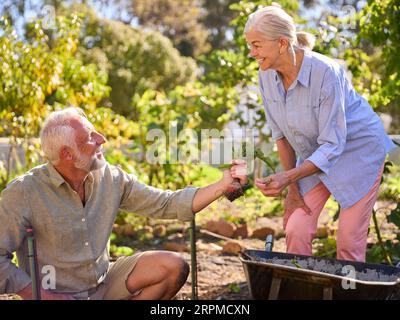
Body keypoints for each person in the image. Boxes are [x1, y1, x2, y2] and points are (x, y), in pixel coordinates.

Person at [0, 107, 247, 300]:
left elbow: (166, 203)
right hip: (56, 293)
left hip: (103, 284)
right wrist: (40, 295)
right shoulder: (24, 192)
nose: (102, 139)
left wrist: (221, 185)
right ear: (67, 154)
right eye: (90, 137)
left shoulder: (111, 178)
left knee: (173, 267)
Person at [244, 5, 396, 262]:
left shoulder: (325, 72)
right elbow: (281, 136)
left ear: (282, 43)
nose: (252, 53)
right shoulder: (266, 76)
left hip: (358, 151)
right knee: (296, 227)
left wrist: (288, 176)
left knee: (348, 241)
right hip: (317, 156)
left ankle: (349, 292)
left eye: (256, 45)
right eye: (250, 45)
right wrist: (292, 189)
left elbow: (333, 145)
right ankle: (302, 288)